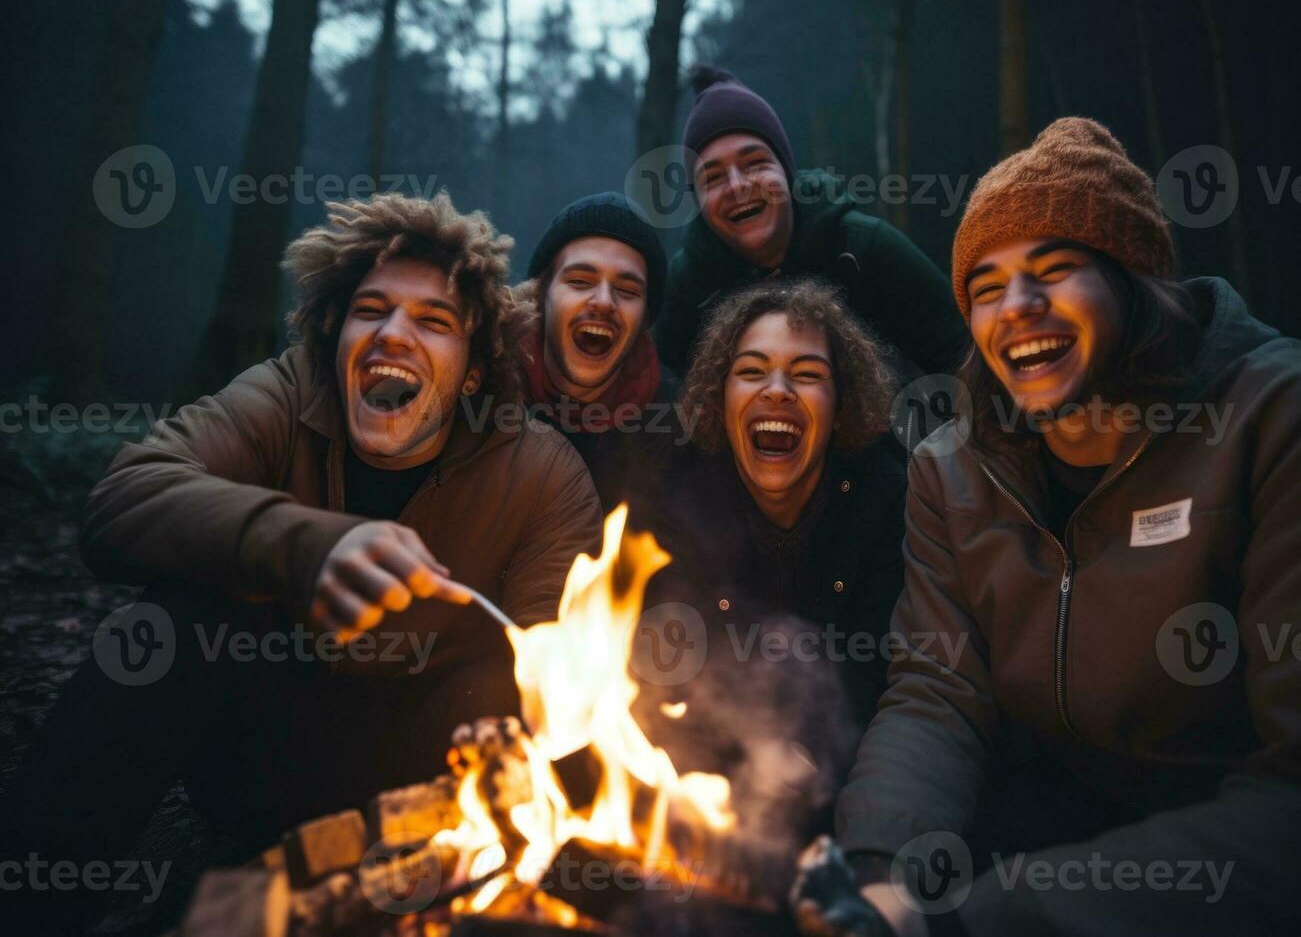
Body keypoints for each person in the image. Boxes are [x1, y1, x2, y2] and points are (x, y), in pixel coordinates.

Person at [2, 192, 603, 932]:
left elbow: (562, 674)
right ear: (334, 332)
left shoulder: (543, 471)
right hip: (261, 754)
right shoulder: (288, 393)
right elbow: (124, 495)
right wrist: (304, 545)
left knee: (496, 686)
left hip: (431, 781)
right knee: (172, 625)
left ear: (475, 370)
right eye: (369, 310)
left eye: (433, 322)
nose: (391, 335)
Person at [792, 119, 1301, 936]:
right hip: (1034, 822)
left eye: (1054, 271)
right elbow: (937, 695)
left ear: (1134, 282)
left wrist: (987, 916)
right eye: (984, 287)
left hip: (1219, 864)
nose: (1017, 308)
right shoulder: (950, 470)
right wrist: (883, 873)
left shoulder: (1269, 421)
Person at [637, 277, 906, 844]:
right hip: (713, 797)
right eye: (752, 371)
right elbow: (669, 679)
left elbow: (893, 686)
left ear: (842, 404)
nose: (778, 390)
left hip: (854, 795)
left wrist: (809, 765)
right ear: (721, 396)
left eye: (807, 374)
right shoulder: (678, 501)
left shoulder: (890, 500)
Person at [652, 67, 968, 381]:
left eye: (754, 164)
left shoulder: (861, 248)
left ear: (787, 173)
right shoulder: (689, 285)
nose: (737, 186)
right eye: (713, 177)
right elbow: (661, 391)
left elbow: (964, 357)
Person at [513, 192, 682, 518]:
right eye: (580, 281)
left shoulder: (678, 429)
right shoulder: (479, 393)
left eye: (627, 290)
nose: (604, 301)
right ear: (539, 295)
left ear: (645, 317)